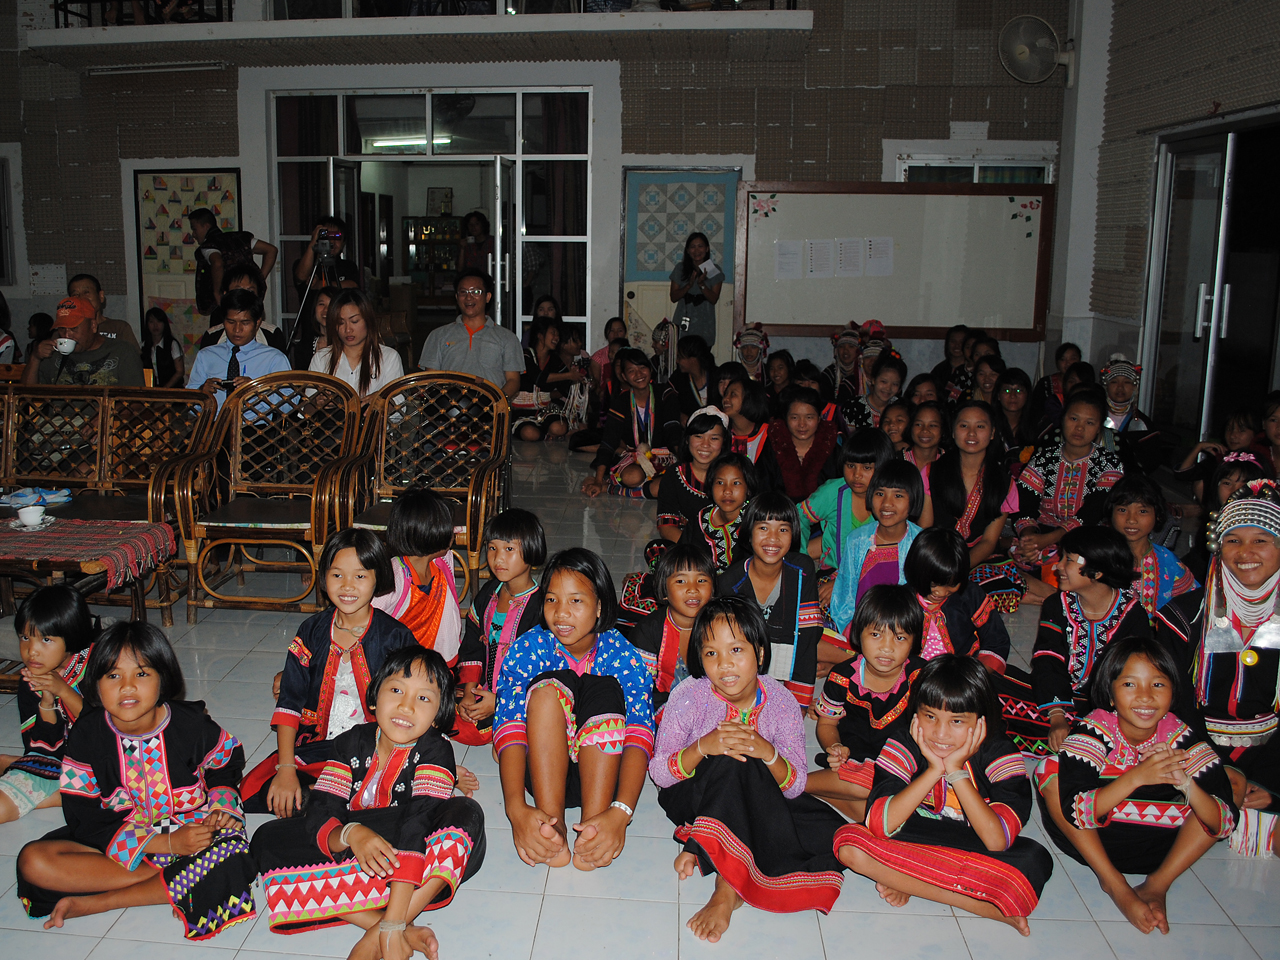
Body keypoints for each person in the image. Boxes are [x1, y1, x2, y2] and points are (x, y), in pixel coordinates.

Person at [15, 622, 258, 940]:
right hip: (128, 839)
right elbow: (84, 817)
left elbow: (225, 762)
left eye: (141, 674)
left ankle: (101, 902)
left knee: (231, 854)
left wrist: (221, 808)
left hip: (197, 834)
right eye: (113, 676)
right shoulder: (87, 734)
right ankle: (178, 881)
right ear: (95, 684)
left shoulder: (190, 724)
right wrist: (167, 845)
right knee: (34, 862)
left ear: (163, 678)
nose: (127, 687)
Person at [251, 648, 486, 959]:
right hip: (360, 854)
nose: (406, 706)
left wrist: (391, 926)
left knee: (465, 812)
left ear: (437, 717)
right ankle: (394, 927)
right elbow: (324, 808)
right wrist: (352, 834)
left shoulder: (436, 750)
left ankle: (384, 929)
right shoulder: (349, 742)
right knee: (267, 838)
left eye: (423, 698)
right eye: (397, 690)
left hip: (421, 859)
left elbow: (417, 823)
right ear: (374, 698)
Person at [652, 597, 847, 941]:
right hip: (694, 795)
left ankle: (704, 843)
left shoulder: (782, 701)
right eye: (711, 653)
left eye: (736, 650)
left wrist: (767, 753)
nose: (724, 664)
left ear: (759, 652)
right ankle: (727, 887)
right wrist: (704, 746)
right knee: (733, 760)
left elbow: (795, 786)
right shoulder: (689, 696)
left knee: (835, 834)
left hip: (758, 797)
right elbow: (660, 775)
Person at [834, 655, 1054, 936]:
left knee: (1032, 862)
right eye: (930, 716)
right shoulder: (905, 741)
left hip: (973, 847)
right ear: (916, 714)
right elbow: (881, 825)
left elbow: (996, 841)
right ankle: (979, 905)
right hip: (917, 837)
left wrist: (956, 771)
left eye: (957, 721)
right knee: (850, 845)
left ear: (982, 720)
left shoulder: (1000, 752)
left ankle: (906, 878)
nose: (940, 733)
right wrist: (933, 770)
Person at [1034, 635, 1236, 934]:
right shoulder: (1093, 731)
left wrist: (1186, 785)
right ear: (1110, 693)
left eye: (1158, 684)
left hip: (1163, 846)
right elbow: (1076, 813)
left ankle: (1158, 883)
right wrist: (1137, 777)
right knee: (1050, 770)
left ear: (1173, 692)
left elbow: (1224, 824)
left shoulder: (1182, 737)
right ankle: (1114, 884)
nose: (1145, 696)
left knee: (1233, 780)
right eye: (1130, 684)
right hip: (1097, 842)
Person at [494, 548, 655, 871]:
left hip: (603, 776)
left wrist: (620, 812)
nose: (561, 613)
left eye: (576, 601)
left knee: (604, 689)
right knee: (545, 691)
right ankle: (552, 826)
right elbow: (509, 726)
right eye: (551, 600)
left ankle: (594, 829)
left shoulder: (621, 653)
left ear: (600, 606)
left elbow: (640, 733)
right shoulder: (528, 648)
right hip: (542, 773)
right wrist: (516, 809)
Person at [241, 529, 418, 814]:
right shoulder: (311, 631)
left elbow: (416, 703)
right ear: (324, 577)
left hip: (376, 749)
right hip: (317, 748)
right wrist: (286, 768)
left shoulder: (395, 637)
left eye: (360, 576)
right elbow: (289, 703)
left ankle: (335, 798)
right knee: (260, 793)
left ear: (378, 578)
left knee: (401, 784)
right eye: (337, 575)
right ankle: (337, 798)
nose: (347, 586)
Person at [1157, 478, 1280, 857]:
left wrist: (1270, 784)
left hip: (1272, 755)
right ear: (1217, 546)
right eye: (1233, 540)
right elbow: (1170, 700)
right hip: (1195, 746)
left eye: (1261, 540)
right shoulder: (1183, 616)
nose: (1245, 552)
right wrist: (1211, 763)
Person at [999, 526, 1152, 757]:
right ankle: (1078, 740)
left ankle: (1082, 738)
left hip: (1105, 707)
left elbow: (1130, 679)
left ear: (1096, 572)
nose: (1058, 566)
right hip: (1056, 700)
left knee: (1131, 719)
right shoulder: (1056, 605)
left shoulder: (1133, 615)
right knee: (987, 681)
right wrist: (1057, 715)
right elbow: (1047, 659)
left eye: (1068, 560)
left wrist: (1095, 714)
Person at [806, 584, 926, 821]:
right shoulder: (841, 677)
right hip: (855, 758)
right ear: (859, 633)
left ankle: (813, 792)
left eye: (900, 637)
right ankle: (796, 783)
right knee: (869, 786)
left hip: (900, 761)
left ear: (914, 641)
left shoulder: (920, 677)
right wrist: (834, 746)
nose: (887, 647)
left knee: (879, 810)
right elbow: (827, 723)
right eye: (876, 634)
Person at [1013, 388, 1124, 604]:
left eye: (1089, 423)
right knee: (1018, 552)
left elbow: (1092, 513)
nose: (1079, 428)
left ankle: (1049, 594)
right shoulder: (1044, 457)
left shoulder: (1109, 463)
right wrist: (1029, 537)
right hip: (1043, 534)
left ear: (1099, 429)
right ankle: (1054, 594)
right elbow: (1024, 502)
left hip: (1089, 537)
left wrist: (1047, 540)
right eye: (1074, 419)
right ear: (1062, 420)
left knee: (1087, 561)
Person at [718, 492, 828, 706]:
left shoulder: (802, 570)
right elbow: (732, 646)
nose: (773, 538)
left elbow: (807, 636)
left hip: (789, 649)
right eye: (763, 528)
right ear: (748, 533)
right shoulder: (730, 582)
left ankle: (854, 663)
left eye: (783, 529)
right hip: (751, 660)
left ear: (794, 534)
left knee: (821, 633)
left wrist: (799, 701)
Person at [0, 585, 96, 823]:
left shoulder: (101, 667)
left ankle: (69, 794)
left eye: (46, 639)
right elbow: (41, 749)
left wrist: (63, 690)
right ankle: (70, 792)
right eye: (25, 638)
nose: (32, 651)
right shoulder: (31, 680)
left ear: (71, 636)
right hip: (61, 763)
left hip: (110, 764)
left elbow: (106, 732)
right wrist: (47, 701)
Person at [455, 509, 547, 746]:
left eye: (509, 549)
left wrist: (499, 700)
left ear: (532, 549)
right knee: (438, 703)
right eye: (492, 548)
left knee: (475, 731)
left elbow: (539, 671)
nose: (498, 559)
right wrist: (470, 691)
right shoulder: (488, 594)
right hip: (482, 687)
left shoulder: (540, 609)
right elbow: (472, 644)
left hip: (520, 695)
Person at [928, 400, 1025, 613]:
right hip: (936, 556)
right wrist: (941, 567)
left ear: (992, 433)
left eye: (980, 426)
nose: (971, 433)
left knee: (991, 588)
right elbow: (925, 528)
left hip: (977, 559)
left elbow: (989, 541)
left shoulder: (1004, 483)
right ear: (953, 431)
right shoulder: (931, 472)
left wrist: (958, 570)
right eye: (964, 425)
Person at [829, 460, 925, 638]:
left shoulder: (921, 542)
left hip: (906, 632)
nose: (887, 503)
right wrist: (853, 633)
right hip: (862, 630)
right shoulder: (857, 540)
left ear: (913, 499)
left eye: (898, 496)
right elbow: (845, 595)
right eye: (880, 493)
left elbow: (926, 600)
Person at [375, 487, 463, 665]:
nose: (453, 531)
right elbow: (366, 617)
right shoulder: (394, 575)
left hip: (431, 661)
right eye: (448, 526)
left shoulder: (440, 564)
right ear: (432, 531)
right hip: (397, 664)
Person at [906, 528, 1013, 673]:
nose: (941, 592)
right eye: (933, 585)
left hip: (963, 672)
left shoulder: (970, 596)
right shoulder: (901, 600)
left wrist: (975, 675)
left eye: (952, 585)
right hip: (915, 673)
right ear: (916, 571)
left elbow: (996, 639)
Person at [626, 543, 717, 714]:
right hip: (662, 710)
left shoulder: (722, 628)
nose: (693, 589)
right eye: (681, 581)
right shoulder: (648, 631)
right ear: (664, 589)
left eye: (701, 580)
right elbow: (640, 688)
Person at [799, 428, 896, 586]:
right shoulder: (832, 492)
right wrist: (801, 558)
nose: (856, 475)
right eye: (850, 465)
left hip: (874, 574)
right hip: (832, 570)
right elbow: (799, 516)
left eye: (866, 467)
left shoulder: (891, 499)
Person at [581, 349, 679, 498]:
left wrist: (685, 464)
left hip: (664, 458)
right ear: (624, 376)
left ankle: (612, 488)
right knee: (631, 477)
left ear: (650, 369)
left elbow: (673, 430)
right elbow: (609, 440)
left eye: (642, 368)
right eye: (631, 371)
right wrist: (598, 480)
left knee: (670, 485)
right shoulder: (621, 401)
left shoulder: (665, 394)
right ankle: (627, 485)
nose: (639, 374)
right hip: (634, 459)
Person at [418, 269, 522, 400]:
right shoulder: (438, 335)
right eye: (463, 292)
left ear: (488, 297)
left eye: (476, 292)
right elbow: (430, 379)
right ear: (457, 297)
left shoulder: (507, 338)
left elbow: (513, 380)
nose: (469, 297)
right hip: (449, 406)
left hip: (491, 407)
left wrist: (497, 403)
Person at [1107, 474, 1197, 620]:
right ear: (1111, 512)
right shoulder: (1097, 558)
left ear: (1158, 515)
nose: (1131, 519)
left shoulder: (1168, 562)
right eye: (1122, 510)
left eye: (1142, 511)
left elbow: (1191, 603)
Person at [186, 289, 291, 411]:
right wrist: (201, 393)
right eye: (231, 322)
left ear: (257, 323)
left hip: (256, 422)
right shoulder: (206, 356)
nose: (237, 329)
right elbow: (188, 405)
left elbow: (289, 406)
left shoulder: (274, 359)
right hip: (215, 421)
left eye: (245, 323)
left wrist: (257, 390)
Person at [24, 294, 145, 387]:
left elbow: (135, 402)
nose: (66, 335)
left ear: (93, 326)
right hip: (58, 412)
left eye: (73, 328)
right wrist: (35, 358)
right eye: (62, 329)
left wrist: (106, 411)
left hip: (103, 412)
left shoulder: (121, 351)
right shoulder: (53, 352)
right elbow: (26, 396)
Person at [309, 288, 404, 402]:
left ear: (368, 321)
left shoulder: (389, 357)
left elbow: (398, 403)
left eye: (354, 321)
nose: (348, 329)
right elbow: (306, 405)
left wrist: (382, 401)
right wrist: (318, 402)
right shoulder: (321, 358)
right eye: (340, 323)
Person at [655, 408, 728, 544]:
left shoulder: (732, 475)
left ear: (723, 442)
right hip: (687, 545)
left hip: (725, 545)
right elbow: (666, 526)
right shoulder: (674, 474)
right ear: (687, 439)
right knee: (655, 548)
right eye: (698, 436)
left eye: (714, 438)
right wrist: (696, 550)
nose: (705, 445)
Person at [759, 386, 842, 503]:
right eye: (794, 417)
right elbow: (763, 490)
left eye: (809, 417)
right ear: (786, 418)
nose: (802, 424)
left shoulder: (833, 450)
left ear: (819, 418)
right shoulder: (774, 447)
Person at [1174, 405, 1271, 505]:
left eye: (1241, 430)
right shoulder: (1222, 457)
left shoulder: (1262, 460)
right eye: (1229, 429)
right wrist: (1199, 447)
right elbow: (1183, 473)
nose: (1233, 435)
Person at [676, 452, 756, 573]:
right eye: (720, 482)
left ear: (748, 489)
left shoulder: (754, 519)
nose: (727, 491)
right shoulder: (701, 520)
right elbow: (685, 555)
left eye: (736, 483)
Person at [190, 207, 278, 316]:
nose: (193, 234)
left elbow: (217, 263)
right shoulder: (239, 238)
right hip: (249, 299)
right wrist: (258, 279)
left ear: (206, 226)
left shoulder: (209, 246)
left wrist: (216, 292)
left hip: (228, 301)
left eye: (194, 229)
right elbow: (271, 250)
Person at [513, 314, 581, 441]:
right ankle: (546, 435)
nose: (557, 338)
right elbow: (538, 378)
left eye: (557, 335)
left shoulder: (555, 359)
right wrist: (568, 375)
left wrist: (579, 381)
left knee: (559, 427)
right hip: (522, 412)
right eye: (553, 333)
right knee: (529, 433)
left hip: (544, 411)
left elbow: (565, 386)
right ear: (540, 335)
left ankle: (547, 434)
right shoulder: (525, 355)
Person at [1100, 354, 1161, 473]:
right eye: (1114, 382)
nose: (1120, 387)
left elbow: (1150, 463)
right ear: (1106, 386)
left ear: (1135, 387)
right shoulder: (1095, 417)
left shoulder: (1144, 424)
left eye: (1127, 382)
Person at [669, 232, 723, 347]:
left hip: (705, 320)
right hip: (683, 316)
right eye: (693, 247)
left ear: (707, 249)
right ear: (688, 250)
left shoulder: (713, 269)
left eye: (700, 246)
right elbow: (673, 297)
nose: (696, 250)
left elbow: (713, 299)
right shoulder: (680, 268)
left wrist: (701, 284)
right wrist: (688, 286)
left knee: (701, 352)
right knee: (681, 351)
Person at [66, 273, 139, 349]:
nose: (82, 298)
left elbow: (133, 354)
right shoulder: (67, 331)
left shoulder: (119, 328)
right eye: (75, 295)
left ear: (101, 296)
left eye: (86, 292)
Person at [844, 352, 906, 432]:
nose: (888, 388)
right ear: (873, 380)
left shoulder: (902, 408)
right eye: (884, 382)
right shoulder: (853, 407)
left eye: (895, 384)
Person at [721, 375, 773, 467]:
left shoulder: (771, 435)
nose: (725, 399)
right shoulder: (722, 434)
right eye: (725, 394)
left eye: (733, 394)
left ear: (749, 398)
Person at [993, 366, 1036, 476]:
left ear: (1027, 395)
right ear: (998, 395)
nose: (1013, 396)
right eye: (1007, 390)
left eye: (1019, 390)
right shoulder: (989, 424)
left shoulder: (1038, 426)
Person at [1030, 341, 1083, 432]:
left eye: (1072, 358)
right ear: (1057, 363)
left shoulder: (1083, 382)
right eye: (1063, 359)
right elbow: (1035, 412)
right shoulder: (1045, 383)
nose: (1068, 363)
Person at [665, 334, 719, 420]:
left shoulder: (718, 377)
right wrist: (679, 415)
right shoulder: (678, 379)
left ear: (693, 360)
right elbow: (666, 402)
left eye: (680, 357)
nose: (677, 361)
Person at [903, 400, 946, 486]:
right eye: (918, 424)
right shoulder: (896, 459)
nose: (925, 430)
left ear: (942, 429)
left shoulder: (950, 462)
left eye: (932, 425)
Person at [140, 306, 184, 388]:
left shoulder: (172, 344)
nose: (155, 325)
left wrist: (165, 388)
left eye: (159, 321)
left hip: (172, 389)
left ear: (164, 324)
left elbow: (180, 371)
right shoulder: (143, 346)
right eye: (151, 322)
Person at [823, 323, 862, 403]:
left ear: (858, 351)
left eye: (851, 346)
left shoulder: (863, 374)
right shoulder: (829, 374)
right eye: (841, 346)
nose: (845, 350)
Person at [590, 316, 627, 384]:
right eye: (612, 331)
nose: (616, 334)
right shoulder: (598, 357)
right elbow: (596, 384)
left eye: (620, 331)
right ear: (606, 334)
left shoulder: (632, 354)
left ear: (625, 333)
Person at [458, 210, 495, 274]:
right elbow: (460, 269)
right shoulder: (467, 244)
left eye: (477, 224)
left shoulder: (493, 242)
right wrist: (462, 249)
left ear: (482, 225)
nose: (473, 227)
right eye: (470, 225)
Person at [765, 349, 795, 414]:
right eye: (772, 368)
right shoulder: (764, 394)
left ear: (789, 368)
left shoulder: (796, 392)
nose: (776, 372)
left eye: (780, 368)